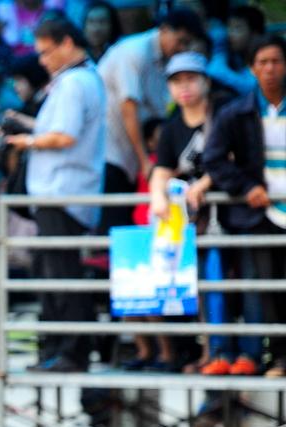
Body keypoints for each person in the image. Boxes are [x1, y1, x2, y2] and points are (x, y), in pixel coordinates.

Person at [6, 14, 105, 373]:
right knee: (53, 275)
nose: (42, 61)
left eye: (46, 52)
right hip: (59, 193)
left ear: (67, 43)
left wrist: (25, 139)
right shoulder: (76, 80)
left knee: (63, 277)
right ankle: (58, 350)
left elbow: (64, 136)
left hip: (64, 193)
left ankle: (72, 353)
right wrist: (27, 126)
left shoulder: (76, 82)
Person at [203, 35, 286, 378]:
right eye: (262, 62)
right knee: (263, 289)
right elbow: (214, 159)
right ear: (252, 68)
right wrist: (246, 186)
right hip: (259, 214)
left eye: (276, 61)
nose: (269, 68)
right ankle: (273, 358)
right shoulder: (235, 112)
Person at [145, 52, 226, 374]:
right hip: (190, 222)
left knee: (222, 286)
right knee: (200, 287)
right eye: (177, 81)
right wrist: (157, 195)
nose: (185, 87)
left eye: (191, 78)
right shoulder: (172, 128)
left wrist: (205, 182)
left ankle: (228, 353)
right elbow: (160, 169)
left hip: (226, 217)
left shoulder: (223, 115)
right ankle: (208, 353)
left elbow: (233, 157)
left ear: (205, 81)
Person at [97, 9, 206, 233]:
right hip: (110, 154)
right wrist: (146, 161)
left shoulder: (168, 63)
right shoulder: (134, 52)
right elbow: (129, 108)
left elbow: (160, 114)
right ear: (164, 30)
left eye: (188, 44)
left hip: (134, 158)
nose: (182, 49)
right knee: (113, 226)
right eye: (181, 41)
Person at [208, 5, 264, 97]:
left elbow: (254, 91)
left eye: (237, 29)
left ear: (255, 33)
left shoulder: (266, 56)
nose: (230, 34)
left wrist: (221, 71)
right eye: (229, 28)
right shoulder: (236, 56)